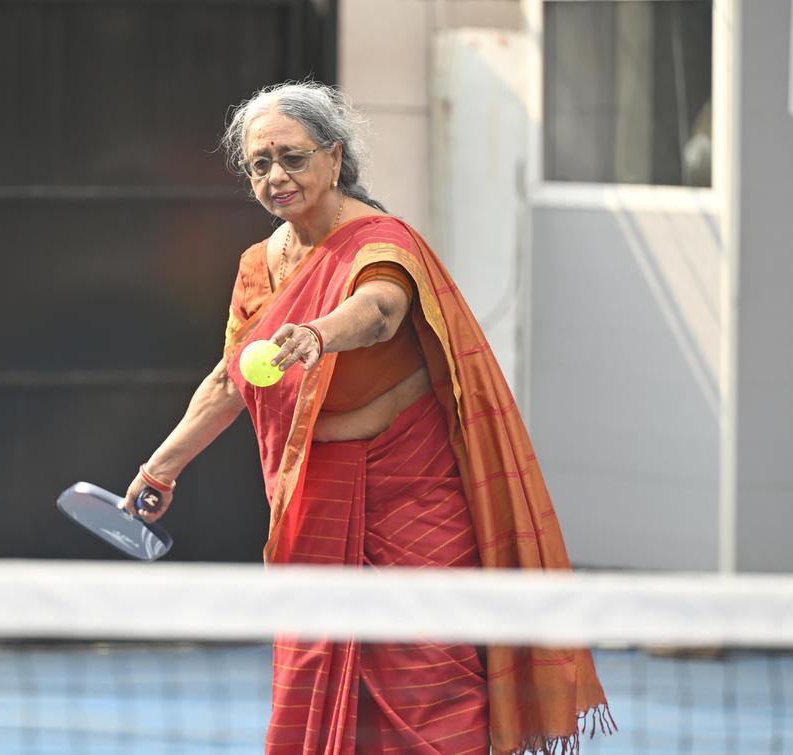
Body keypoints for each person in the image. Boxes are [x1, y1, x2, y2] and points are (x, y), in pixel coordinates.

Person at [122, 81, 613, 755]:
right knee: (310, 684)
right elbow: (226, 380)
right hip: (315, 500)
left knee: (431, 679)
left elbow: (380, 310)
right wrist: (162, 467)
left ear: (334, 157)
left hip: (414, 497)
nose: (275, 176)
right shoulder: (257, 267)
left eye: (291, 157)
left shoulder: (381, 241)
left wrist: (319, 333)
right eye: (259, 164)